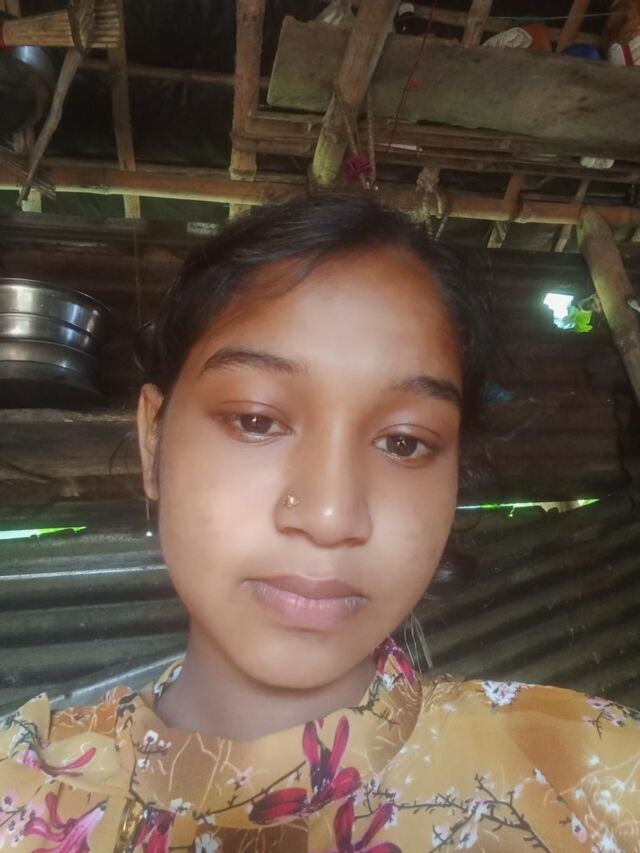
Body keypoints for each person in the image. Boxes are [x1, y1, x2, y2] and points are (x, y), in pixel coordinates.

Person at [1, 195, 638, 853]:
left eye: (404, 442)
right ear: (152, 441)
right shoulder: (16, 797)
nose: (333, 515)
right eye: (256, 420)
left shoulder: (598, 780)